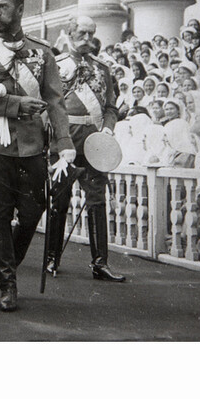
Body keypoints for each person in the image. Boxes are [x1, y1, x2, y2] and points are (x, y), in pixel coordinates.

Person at [0, 0, 75, 312]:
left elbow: (55, 101)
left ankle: (8, 261)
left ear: (20, 10)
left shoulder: (42, 51)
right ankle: (7, 283)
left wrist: (64, 144)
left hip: (31, 145)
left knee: (32, 211)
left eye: (3, 7)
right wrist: (15, 104)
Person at [46, 15, 127, 282]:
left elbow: (111, 107)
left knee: (97, 202)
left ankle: (100, 263)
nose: (87, 40)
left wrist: (108, 128)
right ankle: (51, 258)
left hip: (95, 145)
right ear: (69, 33)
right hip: (65, 143)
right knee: (59, 202)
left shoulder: (102, 69)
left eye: (91, 34)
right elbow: (48, 104)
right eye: (81, 33)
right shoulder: (55, 66)